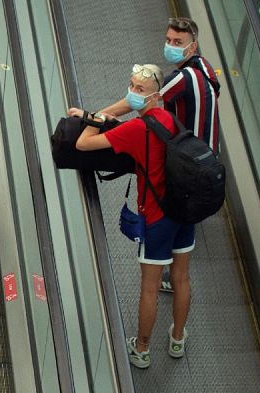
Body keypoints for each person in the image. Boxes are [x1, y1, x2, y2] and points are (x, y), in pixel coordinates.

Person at [70, 64, 192, 369]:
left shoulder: (136, 130)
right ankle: (178, 338)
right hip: (184, 207)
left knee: (149, 288)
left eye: (139, 89)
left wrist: (95, 118)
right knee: (181, 277)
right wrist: (113, 110)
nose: (132, 93)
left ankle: (142, 348)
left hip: (157, 216)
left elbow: (83, 143)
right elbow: (132, 111)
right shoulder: (169, 119)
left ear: (153, 95)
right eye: (131, 86)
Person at [95, 17, 220, 293]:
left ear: (192, 46)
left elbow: (140, 100)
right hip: (207, 158)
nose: (170, 46)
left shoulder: (181, 78)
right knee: (186, 223)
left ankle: (169, 271)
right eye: (168, 40)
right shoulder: (206, 68)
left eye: (178, 42)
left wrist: (97, 115)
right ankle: (178, 274)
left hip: (187, 166)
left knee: (171, 210)